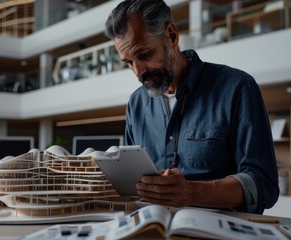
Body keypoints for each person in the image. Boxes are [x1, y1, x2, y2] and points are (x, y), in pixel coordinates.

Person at [104, 0, 279, 214]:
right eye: (128, 62)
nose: (138, 72)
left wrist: (192, 193)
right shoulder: (136, 104)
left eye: (144, 55)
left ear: (171, 35)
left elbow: (263, 184)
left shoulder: (238, 87)